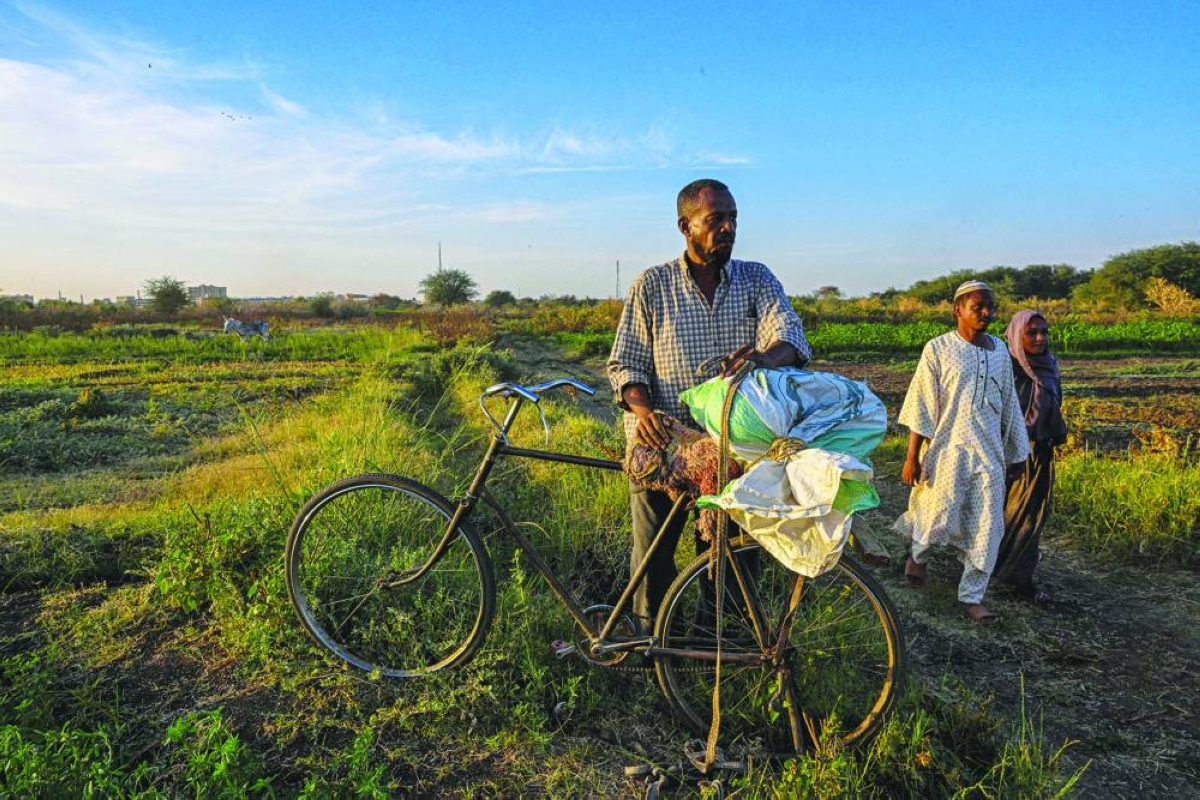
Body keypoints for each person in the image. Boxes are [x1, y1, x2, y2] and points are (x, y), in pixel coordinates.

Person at [607, 178, 811, 624]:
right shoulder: (653, 285)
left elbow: (791, 335)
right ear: (686, 226)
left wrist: (767, 357)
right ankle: (651, 644)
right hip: (664, 447)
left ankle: (722, 644)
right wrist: (643, 411)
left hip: (733, 452)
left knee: (732, 561)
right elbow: (625, 363)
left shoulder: (756, 279)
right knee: (653, 560)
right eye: (715, 219)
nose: (728, 228)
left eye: (733, 218)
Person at [893, 281, 1030, 624]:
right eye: (977, 307)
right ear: (958, 310)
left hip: (989, 453)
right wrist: (912, 457)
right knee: (936, 514)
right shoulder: (938, 349)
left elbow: (1009, 404)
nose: (986, 313)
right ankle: (918, 557)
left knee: (988, 524)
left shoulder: (1000, 351)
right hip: (947, 449)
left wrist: (1016, 453)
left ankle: (972, 596)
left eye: (990, 307)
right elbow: (923, 403)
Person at [994, 310, 1067, 603]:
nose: (1039, 338)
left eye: (1044, 332)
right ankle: (997, 574)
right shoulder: (1006, 369)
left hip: (1040, 454)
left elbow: (1054, 404)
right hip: (1010, 455)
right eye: (1031, 332)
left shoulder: (1048, 365)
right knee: (1006, 515)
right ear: (1016, 334)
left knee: (1032, 517)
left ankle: (1018, 576)